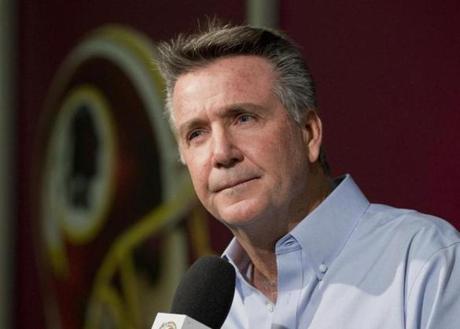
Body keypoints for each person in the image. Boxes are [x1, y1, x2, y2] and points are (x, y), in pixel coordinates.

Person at [156, 22, 460, 329]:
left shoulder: (425, 261)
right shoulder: (208, 311)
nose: (221, 153)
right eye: (196, 133)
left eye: (243, 118)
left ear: (309, 133)